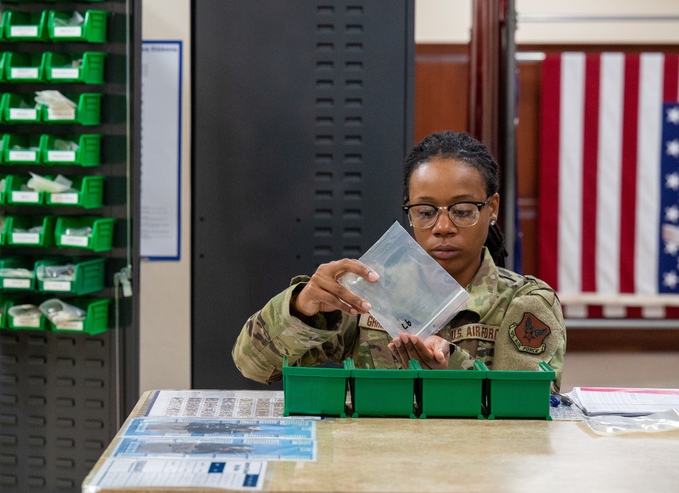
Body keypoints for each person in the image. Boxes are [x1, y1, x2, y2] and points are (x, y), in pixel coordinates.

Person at [232, 130, 566, 392]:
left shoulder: (523, 303)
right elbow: (253, 365)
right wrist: (302, 306)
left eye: (462, 211)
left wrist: (451, 368)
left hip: (474, 472)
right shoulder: (371, 293)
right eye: (425, 212)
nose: (443, 228)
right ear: (409, 211)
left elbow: (526, 411)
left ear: (491, 209)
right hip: (377, 469)